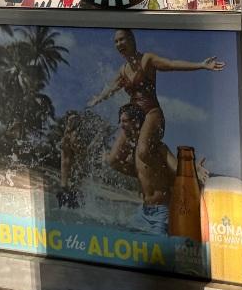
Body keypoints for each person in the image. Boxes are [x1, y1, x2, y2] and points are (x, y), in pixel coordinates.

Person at [87, 29, 224, 233]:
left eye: (122, 39)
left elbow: (172, 64)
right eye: (115, 42)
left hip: (152, 114)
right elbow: (111, 88)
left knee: (143, 151)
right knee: (114, 159)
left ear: (131, 39)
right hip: (134, 118)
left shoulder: (147, 60)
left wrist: (201, 65)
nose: (118, 44)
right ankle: (158, 180)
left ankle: (177, 174)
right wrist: (98, 99)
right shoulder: (123, 70)